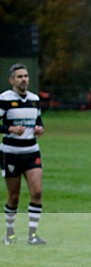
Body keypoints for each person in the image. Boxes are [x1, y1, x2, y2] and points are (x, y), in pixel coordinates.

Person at [1, 63, 46, 245]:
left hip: (31, 151)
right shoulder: (4, 99)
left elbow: (39, 119)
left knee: (37, 192)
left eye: (26, 76)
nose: (24, 79)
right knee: (14, 196)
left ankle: (32, 235)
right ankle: (10, 233)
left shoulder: (34, 99)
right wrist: (9, 128)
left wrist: (39, 128)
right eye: (19, 76)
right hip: (11, 152)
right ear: (12, 80)